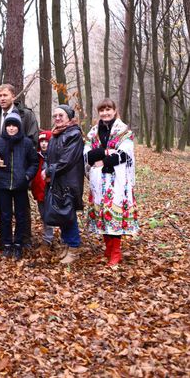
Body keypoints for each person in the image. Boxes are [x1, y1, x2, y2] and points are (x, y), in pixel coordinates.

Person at [84, 98, 139, 266]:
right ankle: (107, 249)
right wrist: (106, 151)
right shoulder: (93, 132)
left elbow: (124, 155)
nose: (105, 113)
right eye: (102, 110)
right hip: (98, 180)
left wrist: (102, 159)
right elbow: (87, 155)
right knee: (101, 212)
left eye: (108, 109)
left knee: (113, 213)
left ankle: (116, 253)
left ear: (115, 111)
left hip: (117, 180)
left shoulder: (124, 131)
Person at [0, 84, 39, 248]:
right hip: (0, 173)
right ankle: (6, 242)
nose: (2, 98)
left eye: (5, 95)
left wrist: (24, 172)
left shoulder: (26, 115)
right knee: (4, 211)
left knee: (22, 211)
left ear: (13, 97)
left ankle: (23, 240)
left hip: (20, 172)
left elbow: (33, 140)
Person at [42, 104, 85, 264]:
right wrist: (46, 169)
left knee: (68, 214)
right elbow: (48, 157)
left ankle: (74, 248)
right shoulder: (55, 135)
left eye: (61, 115)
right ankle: (67, 245)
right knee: (61, 213)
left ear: (69, 117)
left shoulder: (74, 134)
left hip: (69, 181)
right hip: (56, 181)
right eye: (55, 116)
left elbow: (67, 160)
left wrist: (49, 171)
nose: (57, 118)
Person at [31, 130, 54, 251]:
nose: (44, 144)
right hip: (39, 191)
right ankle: (47, 239)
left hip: (53, 192)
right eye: (42, 142)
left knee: (57, 215)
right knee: (45, 216)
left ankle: (66, 240)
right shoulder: (36, 156)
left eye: (46, 141)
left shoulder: (54, 156)